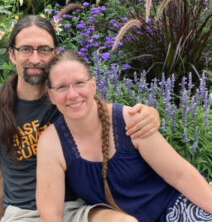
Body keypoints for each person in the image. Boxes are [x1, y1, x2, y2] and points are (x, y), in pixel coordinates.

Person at [0, 15, 160, 222]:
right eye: (25, 49)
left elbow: (109, 116)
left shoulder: (67, 100)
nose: (35, 59)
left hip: (78, 206)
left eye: (43, 50)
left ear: (55, 54)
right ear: (12, 54)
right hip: (24, 212)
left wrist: (150, 113)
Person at [36, 50, 212, 222]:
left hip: (174, 210)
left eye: (79, 83)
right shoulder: (52, 144)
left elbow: (180, 175)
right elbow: (51, 215)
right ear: (51, 95)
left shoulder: (130, 120)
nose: (72, 94)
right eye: (61, 87)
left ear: (93, 85)